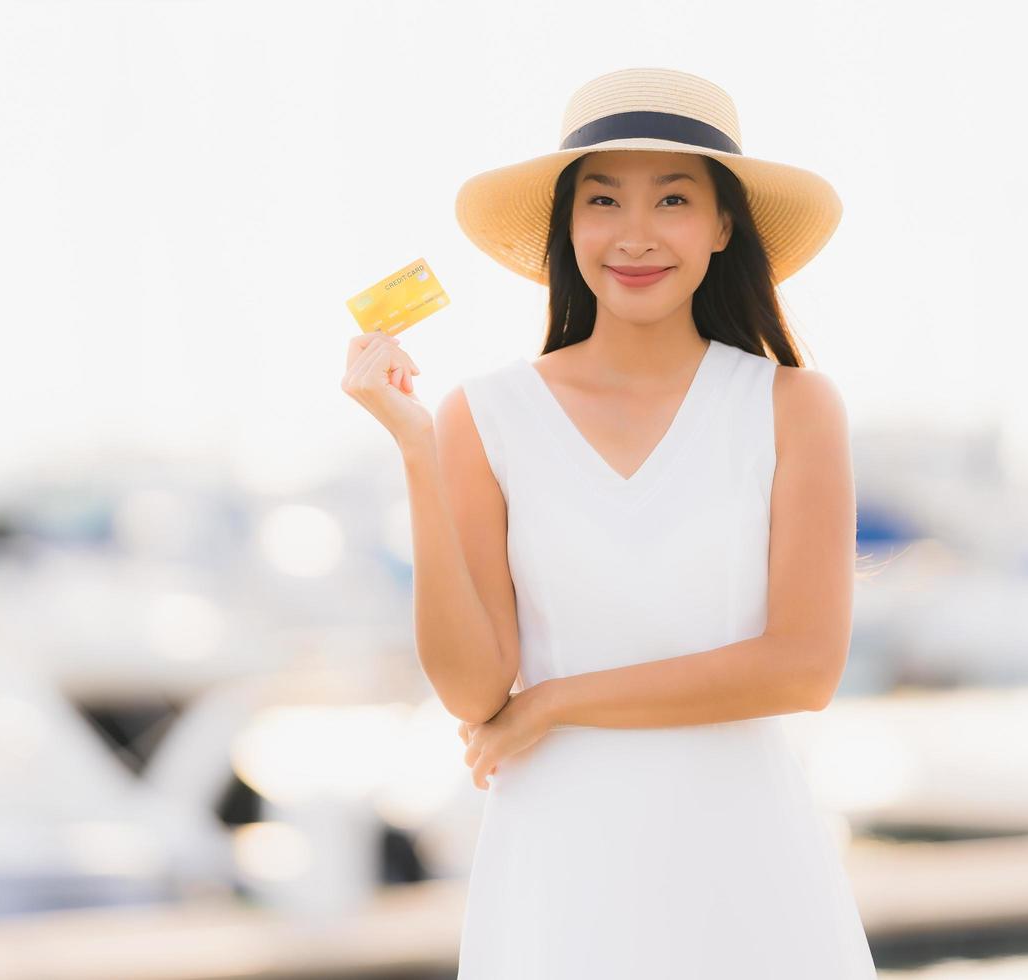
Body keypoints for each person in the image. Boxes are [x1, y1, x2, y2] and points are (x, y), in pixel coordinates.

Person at [341, 66, 876, 978]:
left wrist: (558, 701)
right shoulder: (484, 414)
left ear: (722, 225)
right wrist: (418, 456)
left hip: (748, 871)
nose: (634, 235)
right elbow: (476, 692)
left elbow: (805, 667)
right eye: (602, 200)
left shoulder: (793, 406)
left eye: (672, 197)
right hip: (560, 871)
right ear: (567, 229)